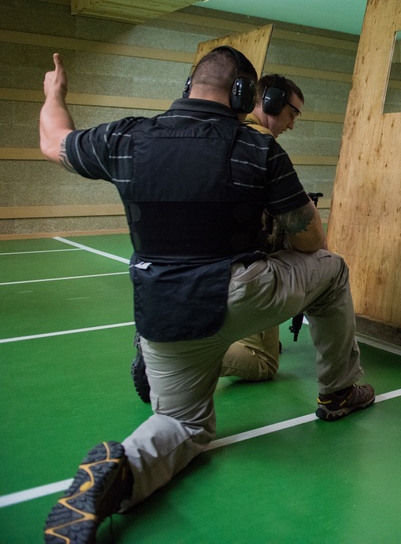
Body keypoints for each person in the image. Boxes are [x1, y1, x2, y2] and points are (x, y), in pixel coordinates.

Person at [39, 48, 375, 544]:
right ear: (243, 93)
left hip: (161, 313)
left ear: (188, 83)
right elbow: (310, 242)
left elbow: (53, 141)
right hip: (237, 292)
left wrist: (54, 93)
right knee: (332, 269)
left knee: (183, 423)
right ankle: (341, 390)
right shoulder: (256, 148)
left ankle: (122, 469)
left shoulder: (127, 137)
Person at [129, 73, 306, 400]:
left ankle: (171, 345)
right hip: (246, 269)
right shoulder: (259, 145)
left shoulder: (219, 136)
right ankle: (171, 358)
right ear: (270, 102)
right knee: (263, 362)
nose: (292, 123)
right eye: (292, 113)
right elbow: (288, 224)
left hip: (197, 270)